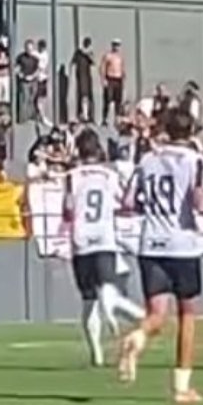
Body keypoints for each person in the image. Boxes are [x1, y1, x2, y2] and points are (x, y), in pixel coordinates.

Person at [116, 108, 203, 403]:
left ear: (166, 129)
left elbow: (128, 202)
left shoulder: (147, 159)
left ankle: (138, 337)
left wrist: (151, 210)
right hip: (182, 245)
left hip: (150, 244)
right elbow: (199, 202)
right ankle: (182, 387)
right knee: (188, 315)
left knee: (156, 315)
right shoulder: (195, 161)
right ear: (191, 131)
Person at [60, 129, 144, 367]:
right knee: (109, 290)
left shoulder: (71, 176)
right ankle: (139, 317)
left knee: (88, 301)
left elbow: (67, 211)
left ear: (78, 150)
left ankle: (96, 352)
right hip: (104, 239)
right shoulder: (109, 175)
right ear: (98, 150)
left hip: (81, 241)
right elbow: (126, 205)